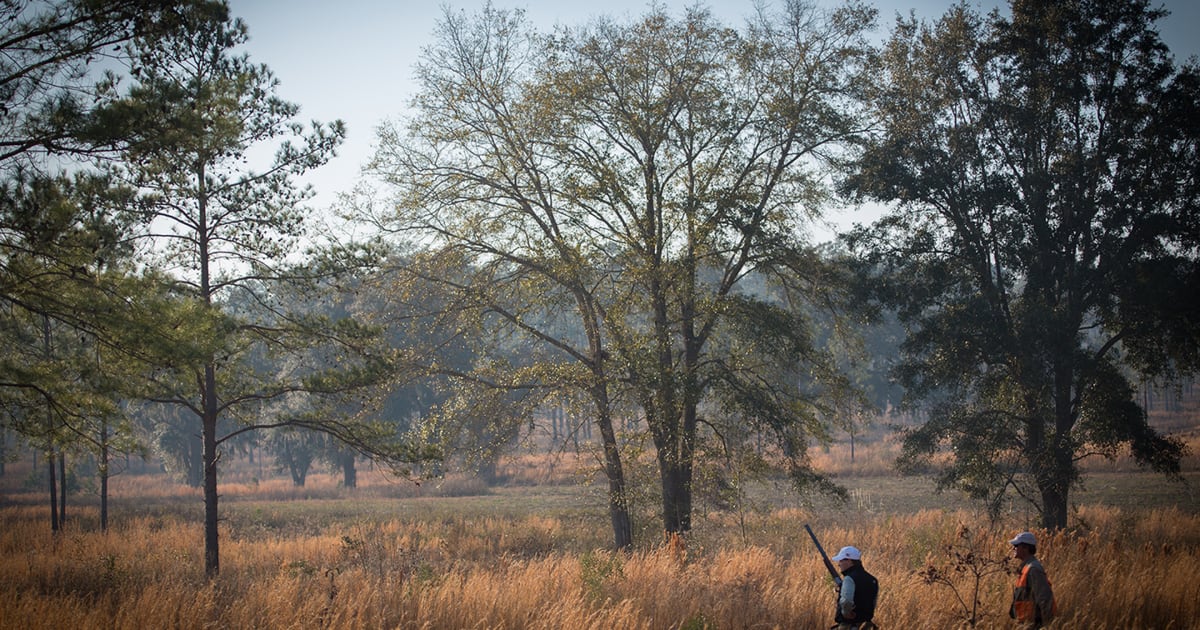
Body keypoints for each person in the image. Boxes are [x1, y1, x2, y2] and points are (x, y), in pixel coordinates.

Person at [1009, 531, 1056, 628]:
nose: (1014, 548)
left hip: (1035, 624)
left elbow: (1044, 599)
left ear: (1026, 548)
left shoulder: (1033, 569)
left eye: (1017, 545)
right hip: (1026, 623)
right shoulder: (1026, 567)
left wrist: (1048, 625)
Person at [830, 545, 879, 630]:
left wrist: (846, 613)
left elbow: (846, 601)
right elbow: (873, 603)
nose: (839, 564)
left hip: (850, 626)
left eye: (841, 560)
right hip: (867, 626)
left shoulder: (849, 579)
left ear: (849, 560)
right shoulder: (872, 579)